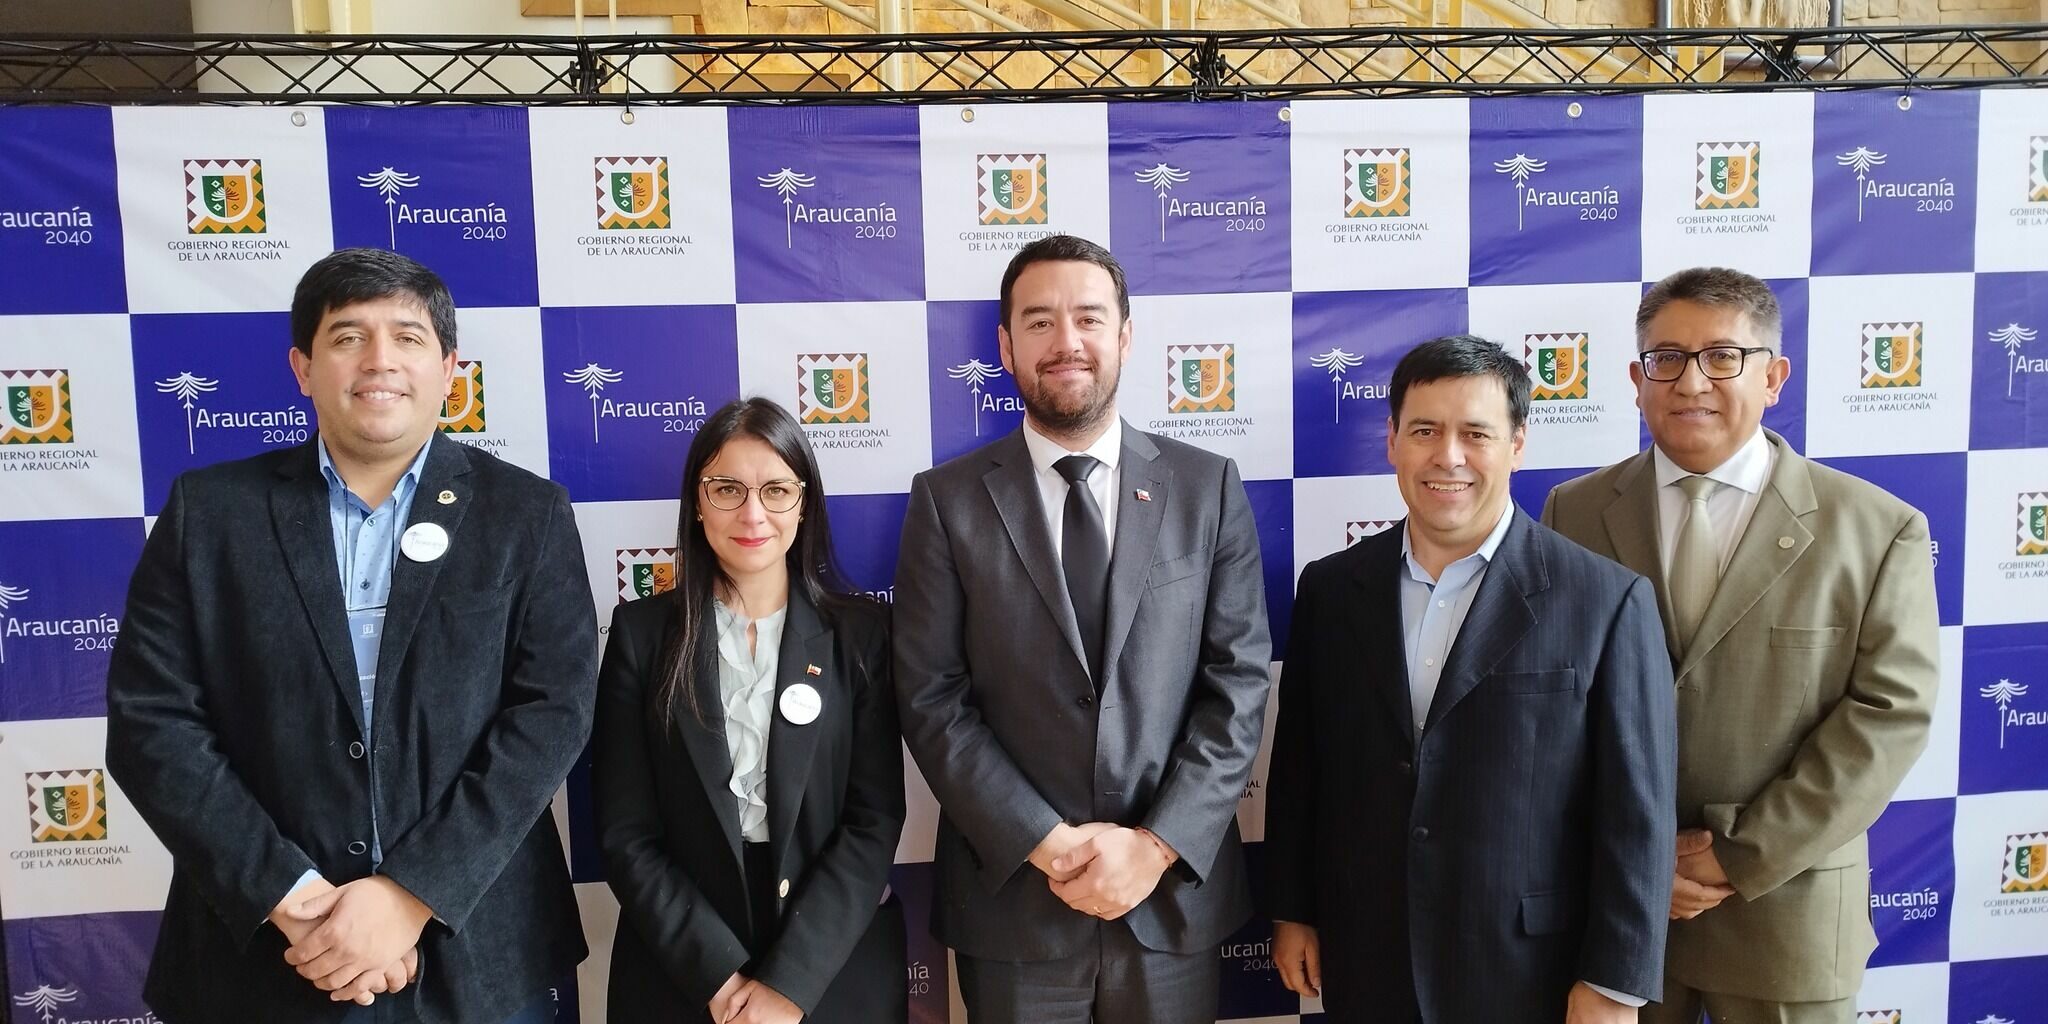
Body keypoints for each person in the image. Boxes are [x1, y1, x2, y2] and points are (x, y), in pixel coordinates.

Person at [105, 247, 595, 1023]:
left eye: (407, 337)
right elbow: (151, 724)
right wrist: (296, 902)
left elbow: (551, 716)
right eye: (347, 337)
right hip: (263, 957)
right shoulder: (210, 514)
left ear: (450, 369)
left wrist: (409, 894)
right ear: (303, 368)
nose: (379, 361)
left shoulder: (526, 516)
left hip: (480, 958)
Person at [893, 234, 1272, 1023]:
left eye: (1089, 318)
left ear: (1125, 335)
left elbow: (1236, 684)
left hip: (1168, 904)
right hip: (1016, 907)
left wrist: (1154, 847)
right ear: (1005, 346)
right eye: (1039, 322)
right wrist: (1048, 843)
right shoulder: (946, 501)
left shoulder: (1208, 488)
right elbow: (931, 697)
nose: (1066, 341)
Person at [1543, 267, 1939, 1024]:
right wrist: (1636, 858)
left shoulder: (1879, 528)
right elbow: (1556, 706)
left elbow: (1890, 718)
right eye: (1667, 358)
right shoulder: (1575, 512)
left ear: (1774, 377)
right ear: (1636, 378)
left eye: (1723, 356)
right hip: (1623, 918)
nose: (1692, 381)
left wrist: (1736, 854)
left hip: (1785, 918)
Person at [1265, 335, 1677, 1024]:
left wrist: (1614, 982)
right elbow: (1301, 768)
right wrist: (1294, 912)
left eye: (1475, 433)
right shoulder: (1332, 590)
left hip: (1530, 971)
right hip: (1367, 956)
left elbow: (1637, 814)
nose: (1447, 456)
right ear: (1391, 439)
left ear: (1517, 444)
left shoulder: (1606, 601)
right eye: (1424, 430)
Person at [593, 397, 906, 1024]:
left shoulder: (862, 635)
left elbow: (873, 820)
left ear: (805, 502)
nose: (753, 514)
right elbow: (626, 833)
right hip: (682, 968)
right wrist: (716, 977)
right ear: (697, 503)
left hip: (833, 960)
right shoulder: (640, 635)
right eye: (727, 489)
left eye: (777, 490)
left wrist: (789, 985)